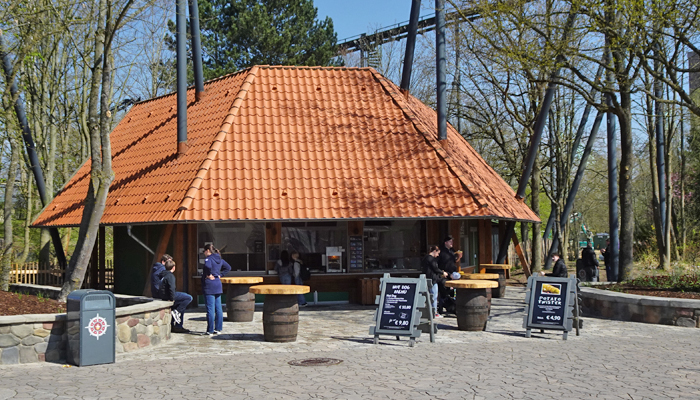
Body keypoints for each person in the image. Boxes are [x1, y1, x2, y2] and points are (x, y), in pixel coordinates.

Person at [202, 244, 231, 335]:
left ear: (207, 250)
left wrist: (208, 274)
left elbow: (207, 266)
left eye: (204, 251)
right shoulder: (220, 259)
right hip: (218, 284)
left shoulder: (209, 259)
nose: (204, 253)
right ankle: (218, 328)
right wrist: (220, 275)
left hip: (209, 285)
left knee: (210, 308)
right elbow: (228, 267)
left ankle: (210, 330)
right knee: (218, 308)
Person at [159, 259, 193, 333]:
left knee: (180, 304)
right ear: (173, 267)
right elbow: (171, 288)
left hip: (164, 296)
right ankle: (177, 311)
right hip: (169, 296)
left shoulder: (162, 275)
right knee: (188, 297)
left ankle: (176, 325)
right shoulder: (170, 276)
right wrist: (172, 299)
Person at [421, 245, 447, 318]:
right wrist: (442, 273)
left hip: (428, 278)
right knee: (434, 296)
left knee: (430, 296)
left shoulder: (425, 258)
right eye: (438, 253)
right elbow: (435, 268)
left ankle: (430, 311)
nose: (438, 255)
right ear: (434, 251)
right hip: (432, 279)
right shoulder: (430, 259)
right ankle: (434, 312)